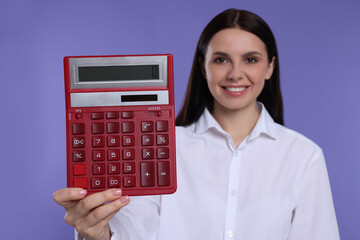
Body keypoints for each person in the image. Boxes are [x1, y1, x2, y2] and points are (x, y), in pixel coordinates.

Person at [53, 9, 340, 240]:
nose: (235, 73)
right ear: (203, 67)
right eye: (221, 60)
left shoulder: (303, 156)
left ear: (269, 68)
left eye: (250, 59)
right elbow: (130, 232)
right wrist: (97, 233)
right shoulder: (162, 145)